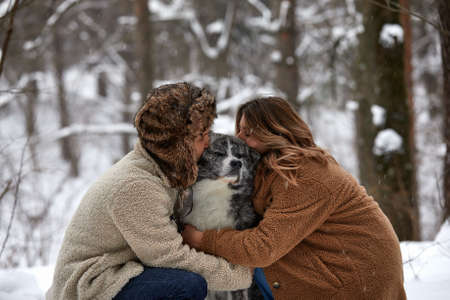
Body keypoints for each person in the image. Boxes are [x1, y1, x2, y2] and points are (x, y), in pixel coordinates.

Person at [182, 96, 407, 300]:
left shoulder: (305, 175)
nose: (238, 139)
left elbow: (263, 247)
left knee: (240, 260)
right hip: (327, 264)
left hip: (353, 283)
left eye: (248, 134)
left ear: (275, 133)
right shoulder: (272, 165)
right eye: (239, 131)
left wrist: (203, 240)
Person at [46, 82, 253, 300]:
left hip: (118, 273)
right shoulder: (137, 187)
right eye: (201, 135)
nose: (208, 142)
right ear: (179, 143)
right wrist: (238, 275)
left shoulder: (162, 170)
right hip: (90, 287)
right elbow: (171, 257)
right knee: (186, 286)